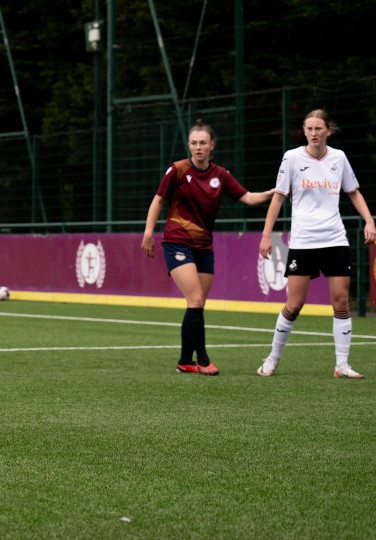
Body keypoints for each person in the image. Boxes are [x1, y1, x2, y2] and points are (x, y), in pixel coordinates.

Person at [141, 119, 273, 376]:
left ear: (212, 145)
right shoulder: (177, 170)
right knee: (196, 298)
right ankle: (202, 359)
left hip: (204, 246)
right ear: (189, 145)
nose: (198, 147)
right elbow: (158, 200)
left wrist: (271, 193)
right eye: (193, 143)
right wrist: (148, 233)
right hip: (177, 242)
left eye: (203, 143)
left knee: (196, 304)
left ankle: (183, 360)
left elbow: (246, 197)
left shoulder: (220, 175)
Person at [256, 109, 376, 379]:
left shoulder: (339, 158)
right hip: (303, 241)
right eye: (308, 128)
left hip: (334, 239)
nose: (313, 133)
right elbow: (278, 198)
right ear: (304, 131)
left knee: (341, 301)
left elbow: (353, 192)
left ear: (328, 131)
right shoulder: (292, 157)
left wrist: (369, 221)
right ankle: (273, 358)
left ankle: (342, 364)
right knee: (295, 304)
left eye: (318, 128)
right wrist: (266, 234)